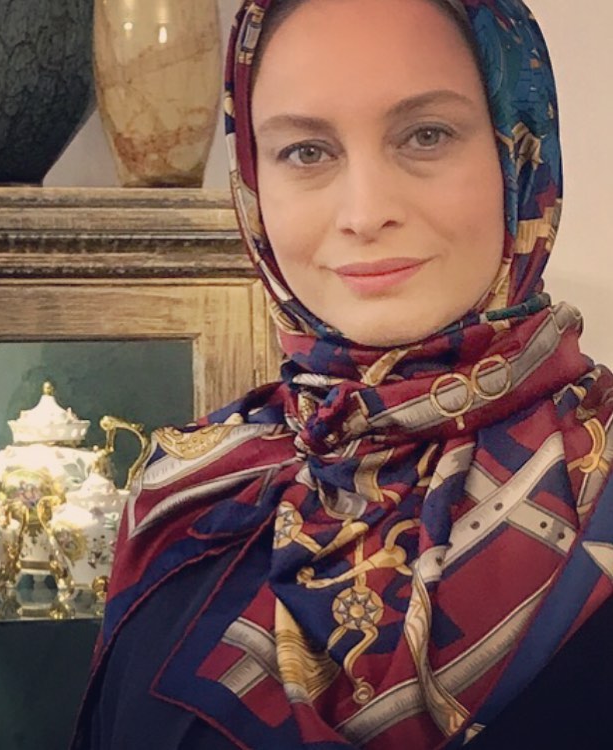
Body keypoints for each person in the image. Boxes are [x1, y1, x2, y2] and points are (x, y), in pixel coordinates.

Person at [72, 0, 613, 747]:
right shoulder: (187, 493)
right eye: (306, 151)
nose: (364, 212)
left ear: (518, 153)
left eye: (426, 135)